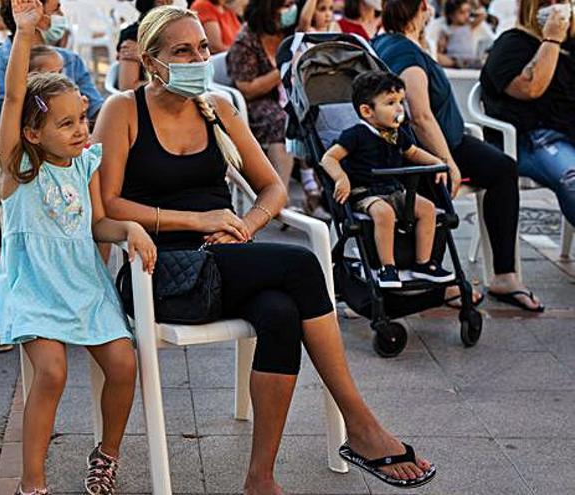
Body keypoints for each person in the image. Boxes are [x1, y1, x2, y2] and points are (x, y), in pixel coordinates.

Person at [97, 5, 437, 492]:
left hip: (227, 259)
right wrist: (198, 219)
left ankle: (260, 477)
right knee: (299, 264)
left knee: (279, 312)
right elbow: (109, 204)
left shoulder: (216, 106)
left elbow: (272, 188)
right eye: (182, 51)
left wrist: (246, 224)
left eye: (202, 48)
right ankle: (360, 425)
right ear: (152, 62)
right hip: (160, 269)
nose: (198, 58)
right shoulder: (123, 110)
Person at [0, 2, 156, 494]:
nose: (82, 131)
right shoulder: (18, 166)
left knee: (125, 363)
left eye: (82, 119)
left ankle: (106, 454)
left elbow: (97, 224)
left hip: (83, 283)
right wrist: (25, 34)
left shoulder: (85, 164)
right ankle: (32, 481)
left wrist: (129, 230)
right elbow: (13, 96)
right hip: (35, 286)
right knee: (52, 370)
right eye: (66, 125)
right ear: (32, 133)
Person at [374, 0, 545, 312]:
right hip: (430, 150)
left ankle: (504, 275)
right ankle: (437, 279)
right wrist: (449, 164)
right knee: (443, 180)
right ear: (424, 7)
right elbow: (420, 117)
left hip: (452, 140)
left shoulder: (399, 42)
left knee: (502, 169)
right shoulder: (403, 51)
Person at [321, 71, 455, 287]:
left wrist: (438, 163)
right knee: (384, 213)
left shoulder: (398, 133)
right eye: (391, 103)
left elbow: (413, 153)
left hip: (394, 190)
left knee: (428, 209)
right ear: (367, 111)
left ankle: (423, 263)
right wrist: (341, 178)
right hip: (365, 193)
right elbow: (329, 158)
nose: (399, 108)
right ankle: (387, 267)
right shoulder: (356, 134)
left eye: (401, 101)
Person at [480, 0, 575, 237]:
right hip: (531, 139)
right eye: (546, 2)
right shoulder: (511, 44)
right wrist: (551, 39)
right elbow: (531, 88)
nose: (555, 7)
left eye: (561, 2)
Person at [0, 0, 103, 146]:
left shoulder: (71, 60)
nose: (61, 15)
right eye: (56, 9)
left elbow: (97, 110)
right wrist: (14, 144)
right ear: (35, 14)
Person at [227, 0, 297, 188]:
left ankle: (316, 190)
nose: (291, 10)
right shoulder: (246, 41)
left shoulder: (286, 32)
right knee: (282, 121)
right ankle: (279, 193)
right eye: (285, 5)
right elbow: (247, 89)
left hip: (284, 95)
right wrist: (283, 69)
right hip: (253, 102)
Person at [116, 0, 174, 91]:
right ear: (161, 2)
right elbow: (127, 87)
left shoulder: (174, 31)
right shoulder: (132, 39)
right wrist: (171, 83)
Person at [437, 0, 489, 68]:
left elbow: (483, 15)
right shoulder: (447, 29)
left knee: (484, 59)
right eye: (462, 12)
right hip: (454, 58)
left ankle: (466, 65)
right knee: (439, 57)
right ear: (451, 15)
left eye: (468, 12)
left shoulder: (469, 26)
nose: (466, 15)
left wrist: (473, 12)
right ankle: (457, 64)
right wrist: (441, 45)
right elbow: (441, 48)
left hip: (470, 58)